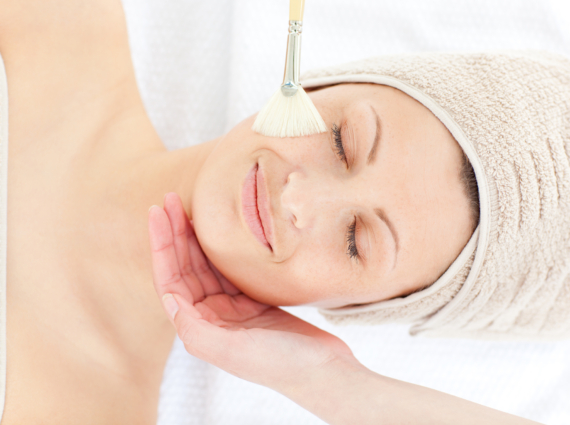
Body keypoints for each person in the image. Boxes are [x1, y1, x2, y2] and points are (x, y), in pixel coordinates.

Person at [1, 0, 566, 424]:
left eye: (355, 242)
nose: (298, 198)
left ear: (359, 310)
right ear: (323, 85)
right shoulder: (57, 18)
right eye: (345, 140)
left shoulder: (87, 407)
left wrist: (334, 384)